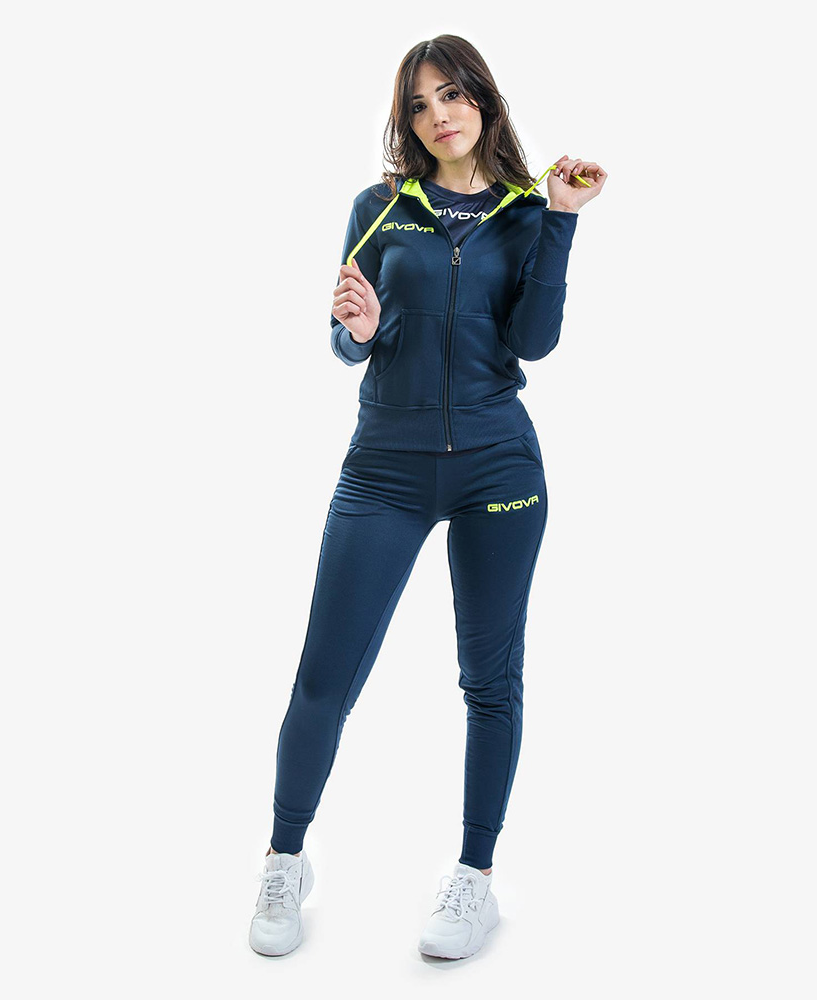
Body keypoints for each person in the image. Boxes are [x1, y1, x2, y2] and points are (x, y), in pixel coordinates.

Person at [250, 34, 605, 960]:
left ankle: (474, 877)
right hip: (386, 467)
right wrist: (360, 333)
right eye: (419, 103)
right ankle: (285, 859)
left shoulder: (526, 212)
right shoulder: (378, 208)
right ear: (405, 121)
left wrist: (562, 219)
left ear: (483, 99)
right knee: (325, 676)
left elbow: (534, 342)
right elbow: (345, 338)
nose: (438, 114)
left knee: (490, 680)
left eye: (452, 94)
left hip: (498, 468)